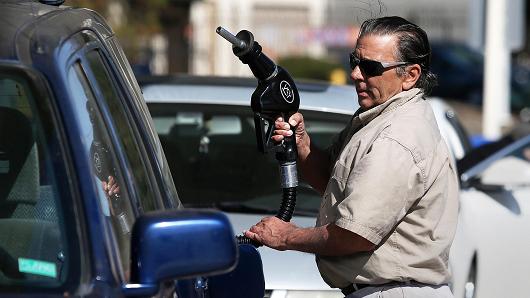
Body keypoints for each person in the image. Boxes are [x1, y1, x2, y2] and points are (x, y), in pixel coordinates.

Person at [244, 16, 459, 298]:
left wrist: (286, 236)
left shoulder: (396, 138)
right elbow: (334, 185)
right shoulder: (378, 119)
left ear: (411, 75)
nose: (356, 74)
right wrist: (302, 144)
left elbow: (354, 235)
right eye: (353, 62)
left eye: (370, 67)